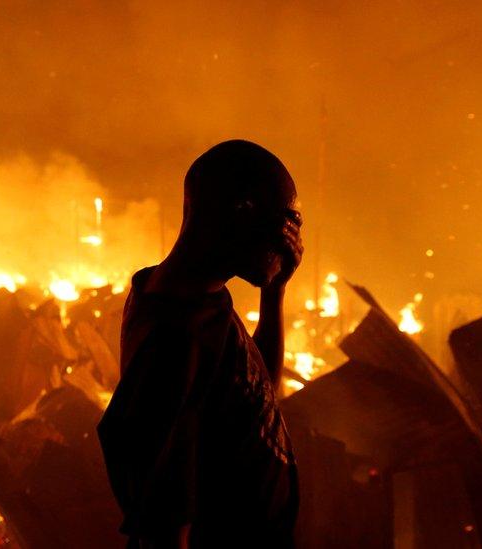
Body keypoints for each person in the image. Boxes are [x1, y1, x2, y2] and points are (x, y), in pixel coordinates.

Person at [97, 140, 303, 549]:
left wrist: (274, 291)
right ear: (243, 210)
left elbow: (262, 389)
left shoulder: (202, 300)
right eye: (286, 220)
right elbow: (164, 526)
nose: (290, 238)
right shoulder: (176, 338)